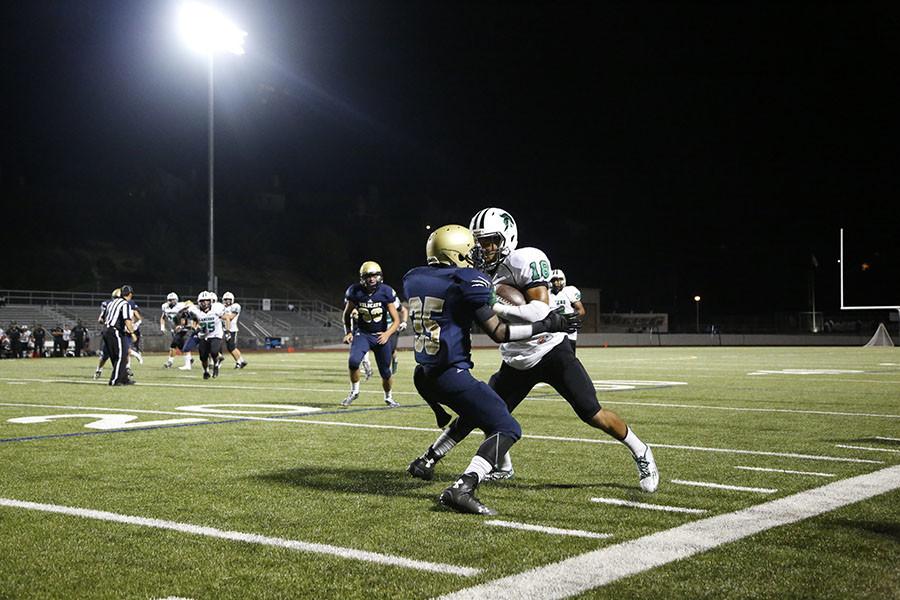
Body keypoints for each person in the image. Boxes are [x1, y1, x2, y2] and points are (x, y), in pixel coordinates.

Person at [408, 208, 659, 493]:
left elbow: (539, 310)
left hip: (550, 350)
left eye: (491, 240)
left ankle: (641, 451)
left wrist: (496, 305)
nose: (485, 248)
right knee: (477, 412)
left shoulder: (523, 259)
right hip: (515, 358)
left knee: (592, 412)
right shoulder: (474, 271)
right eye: (479, 242)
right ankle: (433, 457)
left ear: (507, 237)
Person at [403, 224, 577, 515]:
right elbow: (499, 332)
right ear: (456, 253)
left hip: (424, 374)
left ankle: (425, 461)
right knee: (507, 427)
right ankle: (464, 487)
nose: (475, 255)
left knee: (476, 413)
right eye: (470, 250)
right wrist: (547, 325)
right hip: (451, 374)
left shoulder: (414, 278)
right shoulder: (466, 280)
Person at [341, 261, 401, 407]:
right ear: (363, 278)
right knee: (353, 362)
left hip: (380, 335)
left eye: (375, 275)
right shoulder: (355, 291)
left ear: (380, 276)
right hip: (363, 334)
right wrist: (348, 332)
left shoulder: (386, 292)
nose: (372, 279)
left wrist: (387, 334)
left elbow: (396, 320)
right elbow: (346, 315)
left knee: (386, 372)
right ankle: (354, 392)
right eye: (368, 276)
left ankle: (388, 397)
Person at [185, 291, 232, 380]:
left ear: (210, 301)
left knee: (214, 352)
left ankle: (216, 365)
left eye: (207, 301)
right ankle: (205, 371)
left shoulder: (217, 308)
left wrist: (228, 331)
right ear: (199, 302)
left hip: (216, 334)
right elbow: (191, 320)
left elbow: (226, 318)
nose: (205, 303)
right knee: (203, 356)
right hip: (203, 335)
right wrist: (194, 327)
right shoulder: (195, 310)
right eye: (202, 301)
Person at [102, 285, 137, 386]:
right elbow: (127, 320)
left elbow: (102, 318)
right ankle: (115, 380)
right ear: (130, 294)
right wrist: (132, 333)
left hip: (106, 330)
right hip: (115, 331)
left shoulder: (111, 303)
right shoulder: (125, 304)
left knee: (116, 357)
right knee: (121, 356)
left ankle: (124, 378)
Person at [549, 269, 586, 353]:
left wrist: (569, 318)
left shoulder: (569, 291)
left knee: (569, 358)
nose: (557, 283)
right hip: (552, 331)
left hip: (568, 331)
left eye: (559, 279)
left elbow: (581, 311)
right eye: (554, 280)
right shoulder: (546, 293)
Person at [159, 292, 194, 370]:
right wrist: (162, 327)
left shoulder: (180, 305)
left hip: (183, 328)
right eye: (170, 300)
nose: (172, 302)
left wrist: (187, 307)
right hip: (174, 329)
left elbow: (190, 303)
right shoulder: (165, 307)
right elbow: (163, 317)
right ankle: (190, 359)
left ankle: (170, 362)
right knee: (181, 346)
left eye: (173, 300)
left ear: (177, 300)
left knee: (173, 344)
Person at [94, 288, 120, 379]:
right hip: (111, 332)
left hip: (118, 333)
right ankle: (99, 369)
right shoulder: (109, 305)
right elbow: (100, 319)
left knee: (121, 354)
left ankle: (122, 372)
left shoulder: (123, 305)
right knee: (106, 354)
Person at [220, 291, 248, 369]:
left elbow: (230, 317)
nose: (227, 301)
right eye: (226, 300)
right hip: (224, 329)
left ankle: (240, 361)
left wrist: (220, 316)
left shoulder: (235, 306)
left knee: (231, 347)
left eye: (229, 300)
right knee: (230, 347)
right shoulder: (221, 307)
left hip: (231, 329)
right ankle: (241, 361)